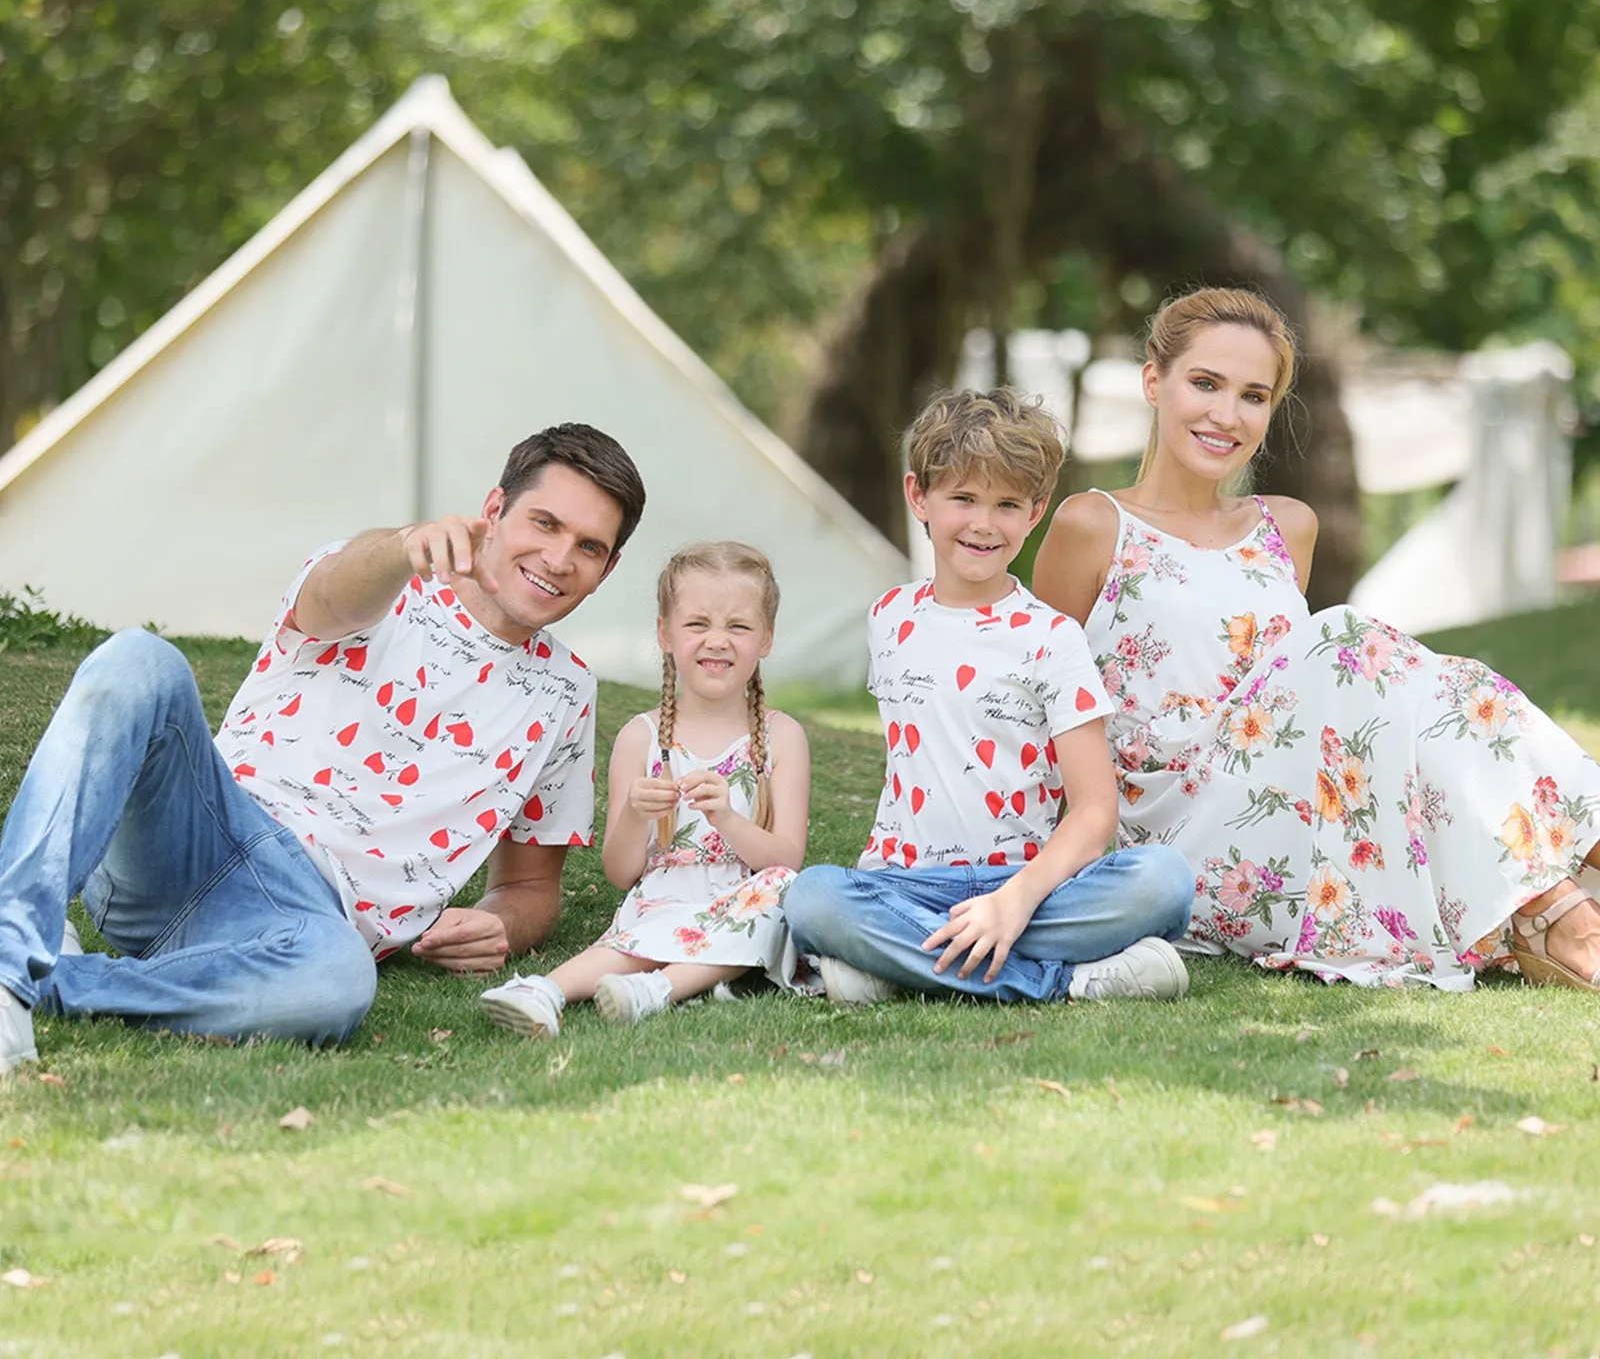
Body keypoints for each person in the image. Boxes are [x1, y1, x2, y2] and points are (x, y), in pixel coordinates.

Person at [0, 422, 646, 1072]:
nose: (560, 558)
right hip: (197, 833)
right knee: (139, 660)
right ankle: (10, 953)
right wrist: (400, 548)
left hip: (302, 924)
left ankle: (52, 979)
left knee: (336, 984)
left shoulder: (568, 692)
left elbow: (533, 885)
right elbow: (334, 594)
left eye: (589, 547)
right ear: (494, 510)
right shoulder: (386, 579)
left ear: (608, 569)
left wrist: (500, 924)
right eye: (545, 523)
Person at [1033, 286, 1600, 991]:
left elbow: (1320, 710)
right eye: (1205, 384)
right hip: (1176, 846)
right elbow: (1041, 704)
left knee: (1437, 688)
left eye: (1252, 395)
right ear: (1155, 382)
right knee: (1344, 637)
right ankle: (1556, 907)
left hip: (1298, 819)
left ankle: (1567, 886)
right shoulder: (1093, 525)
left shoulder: (1287, 526)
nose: (1225, 414)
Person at [783, 390, 1195, 1005]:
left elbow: (1094, 811)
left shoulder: (1054, 639)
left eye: (1007, 505)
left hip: (1025, 884)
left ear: (1035, 513)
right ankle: (1066, 981)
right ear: (919, 496)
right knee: (812, 898)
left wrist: (1015, 900)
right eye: (964, 499)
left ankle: (896, 961)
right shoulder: (888, 619)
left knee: (1163, 880)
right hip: (905, 882)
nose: (983, 523)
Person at [481, 541, 809, 1036]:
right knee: (631, 943)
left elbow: (786, 861)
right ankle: (540, 990)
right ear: (665, 633)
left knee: (780, 897)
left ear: (766, 638)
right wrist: (635, 813)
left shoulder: (783, 736)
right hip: (663, 897)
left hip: (747, 898)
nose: (717, 641)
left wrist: (728, 819)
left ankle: (657, 989)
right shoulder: (641, 738)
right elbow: (620, 872)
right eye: (697, 624)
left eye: (738, 626)